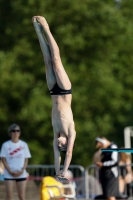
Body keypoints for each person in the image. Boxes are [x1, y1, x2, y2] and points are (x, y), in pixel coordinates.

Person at [32, 16, 76, 182]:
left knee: (47, 61)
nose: (59, 144)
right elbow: (68, 153)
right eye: (62, 145)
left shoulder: (56, 131)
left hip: (53, 91)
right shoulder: (71, 131)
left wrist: (57, 173)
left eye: (59, 145)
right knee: (56, 61)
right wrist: (64, 171)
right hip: (64, 91)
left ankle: (38, 32)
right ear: (66, 142)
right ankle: (46, 28)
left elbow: (56, 154)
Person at [0, 123, 31, 200]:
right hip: (9, 173)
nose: (16, 132)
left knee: (21, 196)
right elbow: (3, 159)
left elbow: (26, 159)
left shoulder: (24, 145)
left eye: (17, 131)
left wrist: (22, 170)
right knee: (8, 196)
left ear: (19, 132)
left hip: (21, 173)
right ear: (10, 133)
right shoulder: (5, 145)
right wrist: (10, 171)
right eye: (13, 131)